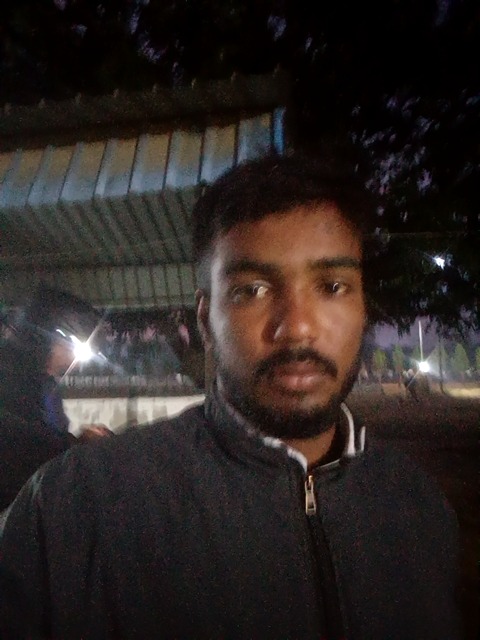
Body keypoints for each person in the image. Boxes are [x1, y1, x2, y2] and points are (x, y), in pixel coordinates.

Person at [0, 155, 459, 639]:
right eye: (252, 290)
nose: (297, 327)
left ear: (363, 304)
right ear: (205, 319)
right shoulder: (76, 509)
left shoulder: (418, 508)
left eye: (331, 286)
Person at [0, 286, 111, 512]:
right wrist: (72, 446)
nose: (77, 360)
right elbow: (16, 444)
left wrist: (73, 442)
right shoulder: (10, 378)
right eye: (75, 345)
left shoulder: (42, 383)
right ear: (48, 337)